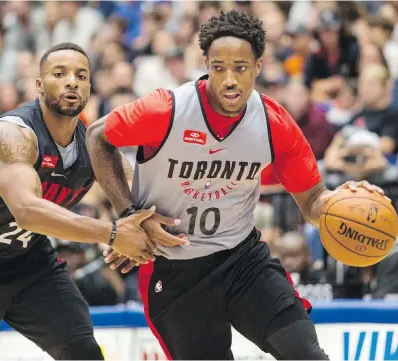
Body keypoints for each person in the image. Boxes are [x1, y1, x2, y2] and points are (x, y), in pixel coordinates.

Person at [86, 11, 388, 360]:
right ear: (206, 64)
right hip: (173, 268)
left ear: (259, 65)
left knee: (306, 352)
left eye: (241, 68)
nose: (229, 79)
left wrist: (345, 198)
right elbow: (97, 137)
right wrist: (129, 213)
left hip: (242, 259)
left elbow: (313, 201)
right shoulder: (166, 110)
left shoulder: (274, 123)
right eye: (219, 67)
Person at [0, 42, 186, 360]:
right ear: (38, 85)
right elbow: (27, 211)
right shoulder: (13, 135)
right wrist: (114, 234)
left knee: (83, 351)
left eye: (81, 75)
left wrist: (141, 224)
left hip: (30, 265)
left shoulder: (93, 147)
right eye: (59, 74)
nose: (71, 81)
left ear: (89, 87)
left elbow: (139, 195)